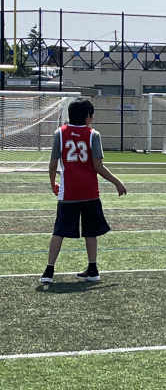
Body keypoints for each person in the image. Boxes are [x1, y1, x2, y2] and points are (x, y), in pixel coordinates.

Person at [40, 98, 127, 284]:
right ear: (87, 116)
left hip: (68, 191)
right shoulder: (93, 135)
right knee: (90, 230)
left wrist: (52, 183)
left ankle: (48, 271)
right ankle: (93, 267)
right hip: (89, 191)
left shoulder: (60, 133)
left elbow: (53, 164)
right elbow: (98, 166)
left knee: (59, 231)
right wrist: (116, 182)